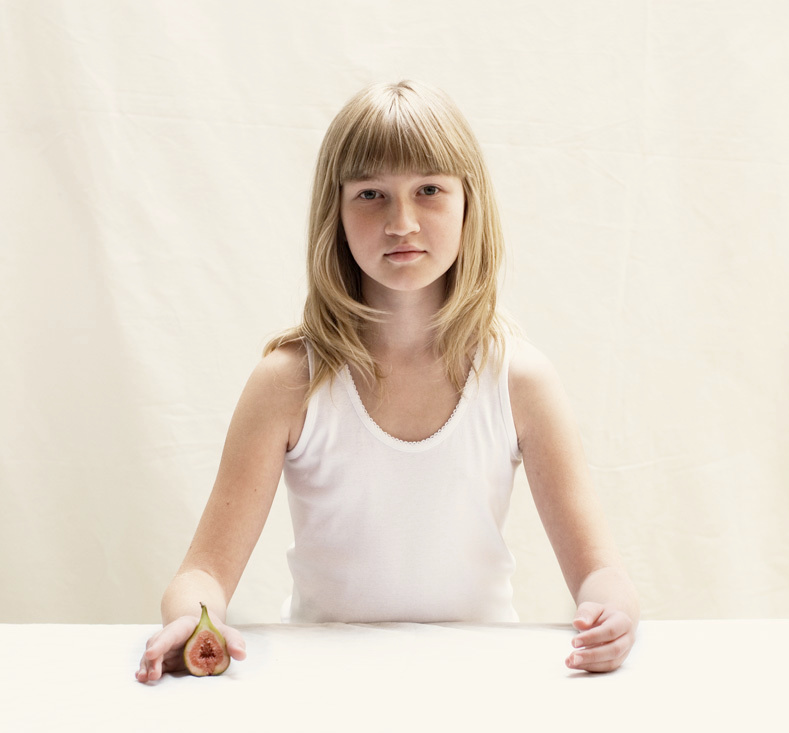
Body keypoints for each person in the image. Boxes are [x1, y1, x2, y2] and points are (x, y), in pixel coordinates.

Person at [136, 79, 639, 683]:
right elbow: (203, 575)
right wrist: (194, 620)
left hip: (482, 678)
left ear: (467, 204)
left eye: (429, 190)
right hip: (324, 679)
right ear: (337, 213)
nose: (402, 222)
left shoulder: (519, 379)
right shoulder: (289, 383)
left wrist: (613, 611)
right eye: (371, 194)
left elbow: (600, 573)